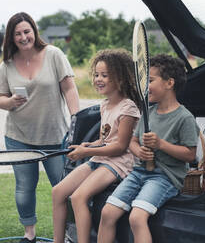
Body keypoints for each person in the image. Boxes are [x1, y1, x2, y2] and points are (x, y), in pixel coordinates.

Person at [0, 12, 80, 243]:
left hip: (54, 137)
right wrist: (10, 102)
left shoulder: (53, 54)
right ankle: (29, 234)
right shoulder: (7, 64)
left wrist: (75, 120)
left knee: (63, 189)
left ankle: (69, 234)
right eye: (18, 34)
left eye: (27, 31)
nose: (23, 37)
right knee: (24, 187)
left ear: (34, 31)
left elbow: (70, 89)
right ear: (11, 38)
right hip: (18, 136)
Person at [97, 54, 200, 243]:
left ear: (169, 83)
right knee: (107, 212)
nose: (145, 86)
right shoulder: (149, 112)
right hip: (139, 172)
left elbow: (190, 155)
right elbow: (132, 142)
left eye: (150, 80)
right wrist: (138, 151)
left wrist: (161, 144)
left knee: (137, 218)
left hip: (165, 177)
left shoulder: (184, 118)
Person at [52, 49, 141, 243]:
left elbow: (120, 146)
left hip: (118, 162)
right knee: (58, 192)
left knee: (78, 197)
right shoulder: (105, 105)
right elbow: (105, 139)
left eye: (105, 75)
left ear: (120, 78)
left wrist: (87, 151)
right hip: (101, 157)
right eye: (96, 74)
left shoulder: (128, 108)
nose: (98, 79)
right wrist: (89, 144)